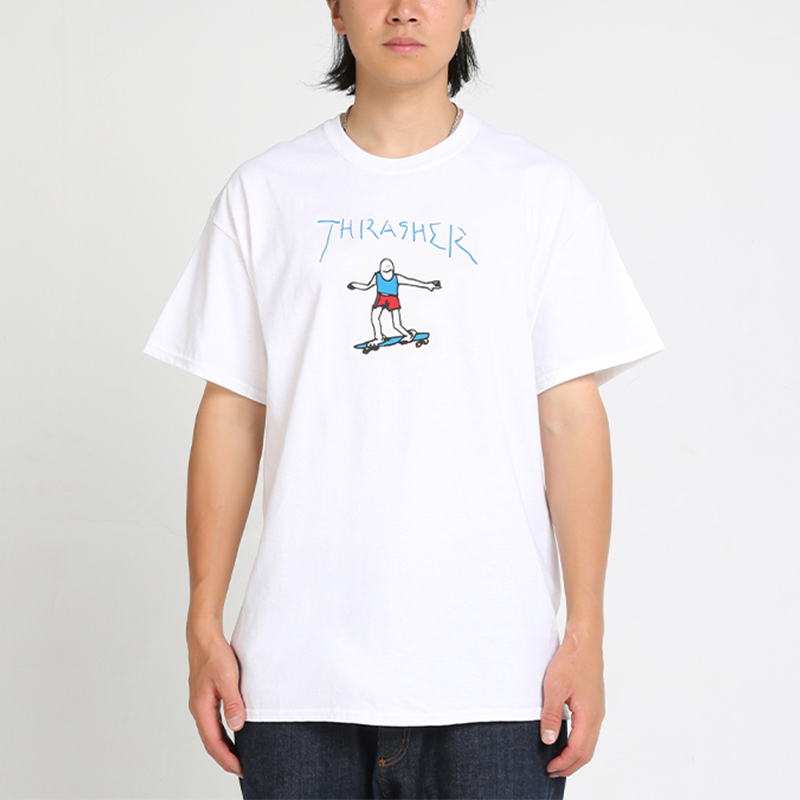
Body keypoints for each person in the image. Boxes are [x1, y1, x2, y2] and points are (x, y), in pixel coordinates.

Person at [144, 1, 664, 797]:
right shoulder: (265, 193)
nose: (403, 9)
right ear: (335, 9)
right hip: (294, 680)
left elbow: (570, 417)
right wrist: (202, 623)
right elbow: (231, 414)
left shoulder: (540, 194)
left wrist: (586, 634)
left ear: (469, 8)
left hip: (498, 681)